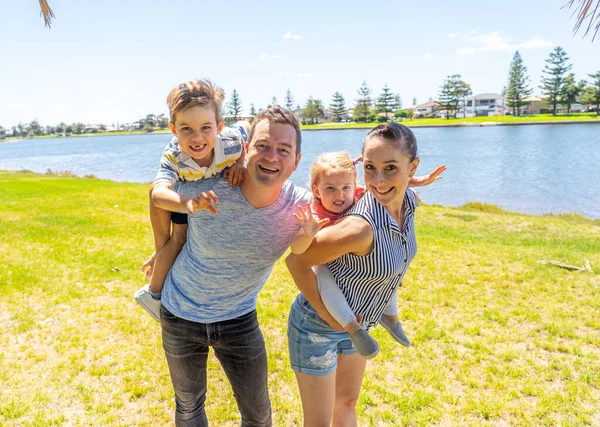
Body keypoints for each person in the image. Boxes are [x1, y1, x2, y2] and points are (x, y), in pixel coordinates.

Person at [153, 106, 310, 426]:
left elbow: (349, 208)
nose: (272, 157)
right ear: (246, 149)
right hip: (180, 312)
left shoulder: (302, 207)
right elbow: (155, 196)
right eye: (263, 146)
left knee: (258, 414)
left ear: (296, 161)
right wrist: (160, 249)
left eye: (284, 150)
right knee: (188, 405)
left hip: (238, 319)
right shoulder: (205, 188)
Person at [286, 122, 424, 426]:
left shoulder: (409, 204)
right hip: (317, 326)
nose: (378, 180)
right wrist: (330, 316)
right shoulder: (358, 228)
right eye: (371, 168)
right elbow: (296, 263)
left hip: (360, 322)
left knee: (346, 404)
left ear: (412, 167)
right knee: (320, 422)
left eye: (391, 168)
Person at [290, 152, 444, 359]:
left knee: (389, 272)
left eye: (346, 187)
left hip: (350, 262)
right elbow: (296, 251)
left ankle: (391, 316)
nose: (340, 195)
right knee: (324, 277)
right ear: (317, 190)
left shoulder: (360, 197)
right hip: (325, 263)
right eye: (330, 189)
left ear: (355, 185)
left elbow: (389, 186)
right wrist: (307, 234)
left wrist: (418, 181)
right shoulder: (314, 214)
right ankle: (352, 326)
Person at [134, 79, 250, 322]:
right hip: (183, 193)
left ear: (219, 126)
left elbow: (247, 128)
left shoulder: (230, 142)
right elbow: (157, 194)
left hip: (202, 195)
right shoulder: (173, 155)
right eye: (186, 129)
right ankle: (153, 294)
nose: (197, 138)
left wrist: (240, 163)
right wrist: (186, 202)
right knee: (178, 240)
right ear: (174, 129)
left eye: (206, 128)